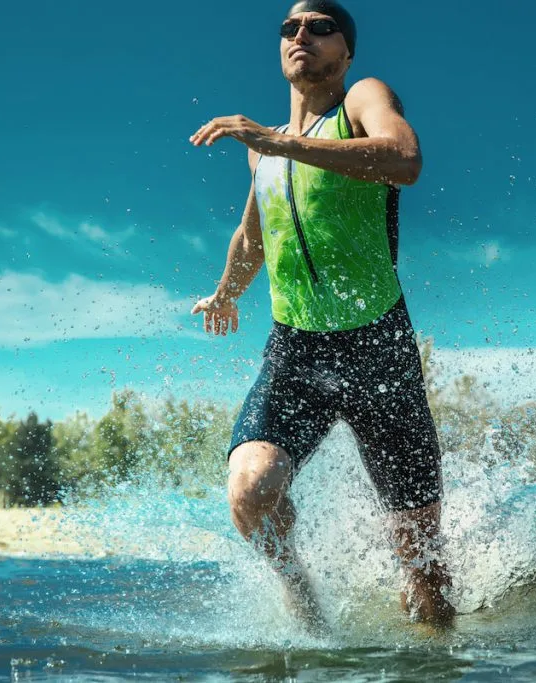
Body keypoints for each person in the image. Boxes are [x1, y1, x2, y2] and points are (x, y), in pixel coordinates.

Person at [188, 0, 455, 629]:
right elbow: (254, 236)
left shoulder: (361, 98)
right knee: (251, 489)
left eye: (319, 26)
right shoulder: (263, 153)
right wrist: (226, 292)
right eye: (289, 27)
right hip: (297, 353)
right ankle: (305, 605)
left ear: (347, 51)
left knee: (428, 589)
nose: (300, 34)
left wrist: (282, 141)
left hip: (380, 349)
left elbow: (404, 159)